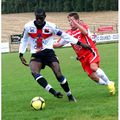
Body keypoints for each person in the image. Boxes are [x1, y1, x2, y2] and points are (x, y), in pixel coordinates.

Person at [19, 9, 90, 102]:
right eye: (37, 18)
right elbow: (24, 40)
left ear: (45, 17)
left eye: (41, 18)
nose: (39, 20)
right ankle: (53, 92)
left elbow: (65, 36)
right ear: (35, 17)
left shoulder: (52, 26)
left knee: (58, 75)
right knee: (34, 72)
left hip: (49, 53)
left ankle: (70, 95)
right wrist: (21, 53)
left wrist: (81, 44)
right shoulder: (28, 26)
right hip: (36, 54)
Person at [53, 12, 115, 95]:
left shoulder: (83, 27)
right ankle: (109, 83)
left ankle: (109, 83)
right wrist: (45, 44)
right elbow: (58, 44)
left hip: (90, 52)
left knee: (93, 67)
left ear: (78, 20)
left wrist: (77, 24)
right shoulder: (68, 33)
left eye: (72, 21)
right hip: (82, 58)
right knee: (93, 77)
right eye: (69, 21)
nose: (71, 23)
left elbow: (85, 33)